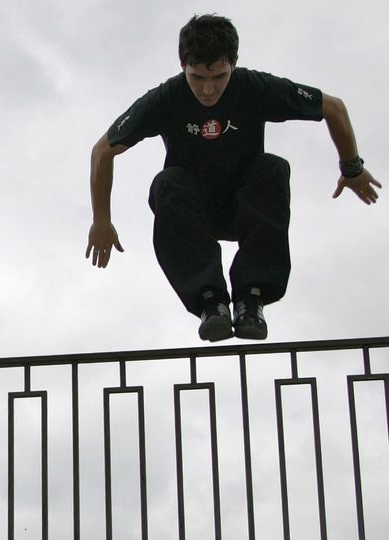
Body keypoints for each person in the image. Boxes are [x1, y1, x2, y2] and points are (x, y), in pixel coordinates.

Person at [86, 14, 380, 342]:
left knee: (272, 168)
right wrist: (101, 220)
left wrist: (351, 167)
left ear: (234, 64)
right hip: (194, 212)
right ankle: (210, 303)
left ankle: (250, 299)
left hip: (248, 205)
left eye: (219, 77)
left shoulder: (255, 88)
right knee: (167, 183)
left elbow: (334, 108)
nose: (208, 89)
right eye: (197, 78)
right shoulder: (165, 99)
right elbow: (102, 151)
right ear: (183, 65)